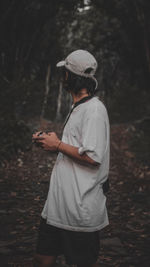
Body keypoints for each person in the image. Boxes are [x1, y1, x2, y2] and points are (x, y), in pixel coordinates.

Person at [32, 50, 110, 267]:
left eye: (65, 72)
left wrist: (57, 145)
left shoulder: (94, 110)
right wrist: (51, 144)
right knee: (42, 259)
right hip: (58, 205)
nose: (62, 77)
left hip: (79, 210)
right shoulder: (79, 107)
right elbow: (76, 148)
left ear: (72, 77)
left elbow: (93, 157)